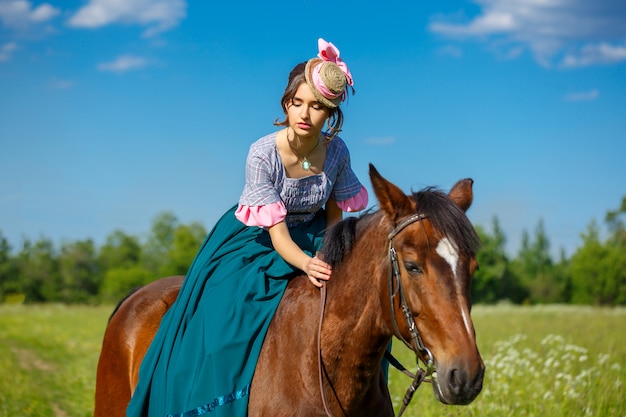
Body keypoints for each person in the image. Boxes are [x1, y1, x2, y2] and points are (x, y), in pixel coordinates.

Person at [126, 38, 369, 417]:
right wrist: (306, 264)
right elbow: (278, 235)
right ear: (286, 102)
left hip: (317, 233)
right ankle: (217, 398)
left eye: (317, 106)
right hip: (258, 239)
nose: (304, 113)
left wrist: (327, 254)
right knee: (228, 316)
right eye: (297, 102)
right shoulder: (262, 154)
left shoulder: (337, 152)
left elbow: (336, 216)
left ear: (331, 114)